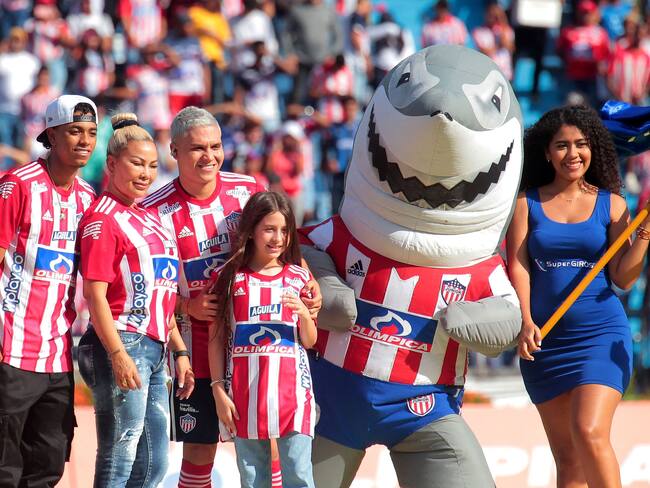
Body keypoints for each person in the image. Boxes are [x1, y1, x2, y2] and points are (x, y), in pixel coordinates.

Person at [142, 106, 321, 488]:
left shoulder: (246, 190)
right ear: (173, 151)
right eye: (197, 149)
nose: (210, 156)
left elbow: (281, 237)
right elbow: (142, 287)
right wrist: (185, 306)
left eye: (216, 146)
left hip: (257, 351)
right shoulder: (155, 211)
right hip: (197, 350)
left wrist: (307, 278)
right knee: (200, 449)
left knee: (267, 446)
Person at [506, 104, 650, 488]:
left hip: (600, 337)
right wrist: (525, 320)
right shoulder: (525, 203)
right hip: (544, 343)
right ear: (546, 152)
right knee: (567, 462)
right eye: (562, 145)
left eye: (581, 144)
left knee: (589, 431)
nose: (573, 154)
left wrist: (646, 234)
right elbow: (518, 266)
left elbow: (624, 278)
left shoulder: (613, 204)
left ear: (594, 148)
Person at [77, 113, 195, 487]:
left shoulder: (151, 219)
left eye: (152, 166)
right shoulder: (102, 218)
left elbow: (163, 296)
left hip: (157, 348)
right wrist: (117, 353)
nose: (145, 173)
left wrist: (179, 351)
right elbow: (94, 295)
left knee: (155, 463)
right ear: (111, 164)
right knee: (120, 455)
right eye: (136, 163)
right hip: (122, 342)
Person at [0, 94, 98, 487]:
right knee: (5, 471)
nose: (84, 141)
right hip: (10, 350)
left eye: (91, 133)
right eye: (74, 131)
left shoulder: (90, 198)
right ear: (51, 136)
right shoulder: (17, 185)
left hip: (58, 357)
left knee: (48, 468)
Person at [208, 191, 317, 488]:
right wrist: (219, 390)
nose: (278, 238)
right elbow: (216, 338)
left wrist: (305, 316)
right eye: (269, 229)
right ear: (251, 230)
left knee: (299, 477)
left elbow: (310, 341)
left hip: (293, 399)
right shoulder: (230, 277)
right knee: (253, 480)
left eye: (284, 230)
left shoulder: (299, 278)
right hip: (244, 399)